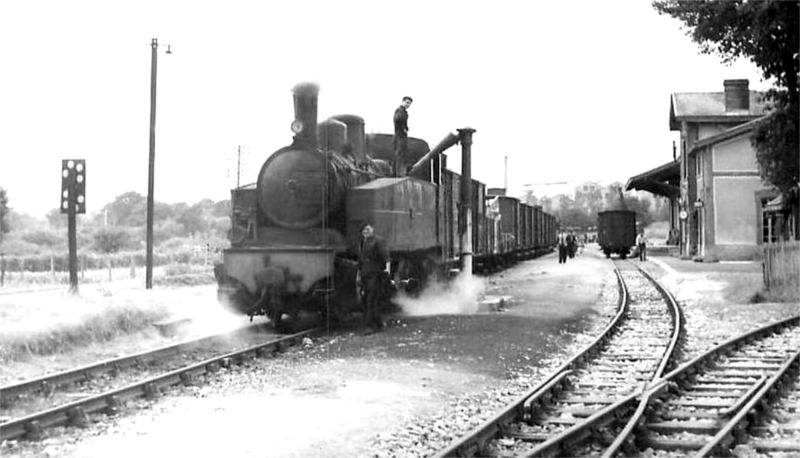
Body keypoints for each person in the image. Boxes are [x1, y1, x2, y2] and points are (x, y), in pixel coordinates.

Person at [357, 223, 390, 330]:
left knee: (370, 299)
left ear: (372, 229)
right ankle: (378, 322)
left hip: (375, 273)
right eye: (364, 230)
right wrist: (358, 275)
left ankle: (369, 326)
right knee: (369, 298)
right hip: (365, 274)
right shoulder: (362, 242)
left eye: (367, 229)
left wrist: (387, 269)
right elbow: (360, 261)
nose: (365, 231)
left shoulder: (378, 241)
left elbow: (386, 256)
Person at [392, 96, 412, 177]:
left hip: (401, 135)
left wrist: (406, 128)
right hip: (399, 135)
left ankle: (400, 172)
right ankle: (398, 173)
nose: (408, 105)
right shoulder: (400, 111)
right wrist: (403, 128)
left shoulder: (403, 112)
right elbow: (398, 119)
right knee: (399, 154)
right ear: (403, 102)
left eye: (409, 103)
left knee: (402, 154)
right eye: (407, 102)